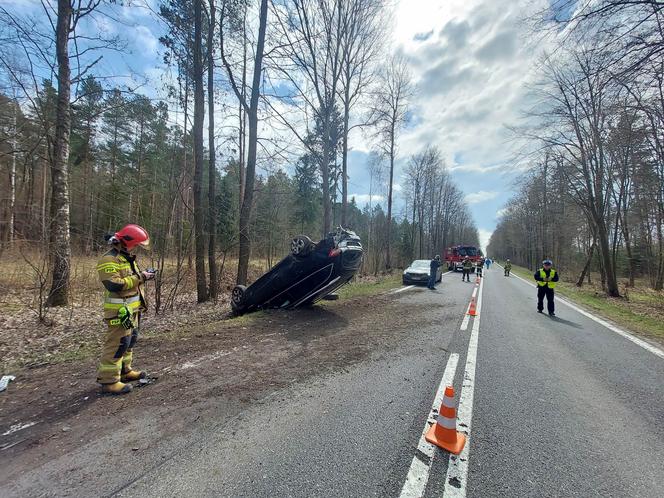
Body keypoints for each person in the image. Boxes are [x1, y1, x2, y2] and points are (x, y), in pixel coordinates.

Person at [96, 224, 155, 395]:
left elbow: (133, 281)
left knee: (130, 341)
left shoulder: (126, 257)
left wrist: (144, 277)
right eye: (135, 244)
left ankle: (125, 371)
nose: (137, 247)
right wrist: (141, 277)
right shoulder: (109, 259)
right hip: (118, 312)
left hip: (132, 310)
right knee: (117, 344)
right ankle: (109, 381)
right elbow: (114, 284)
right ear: (125, 241)